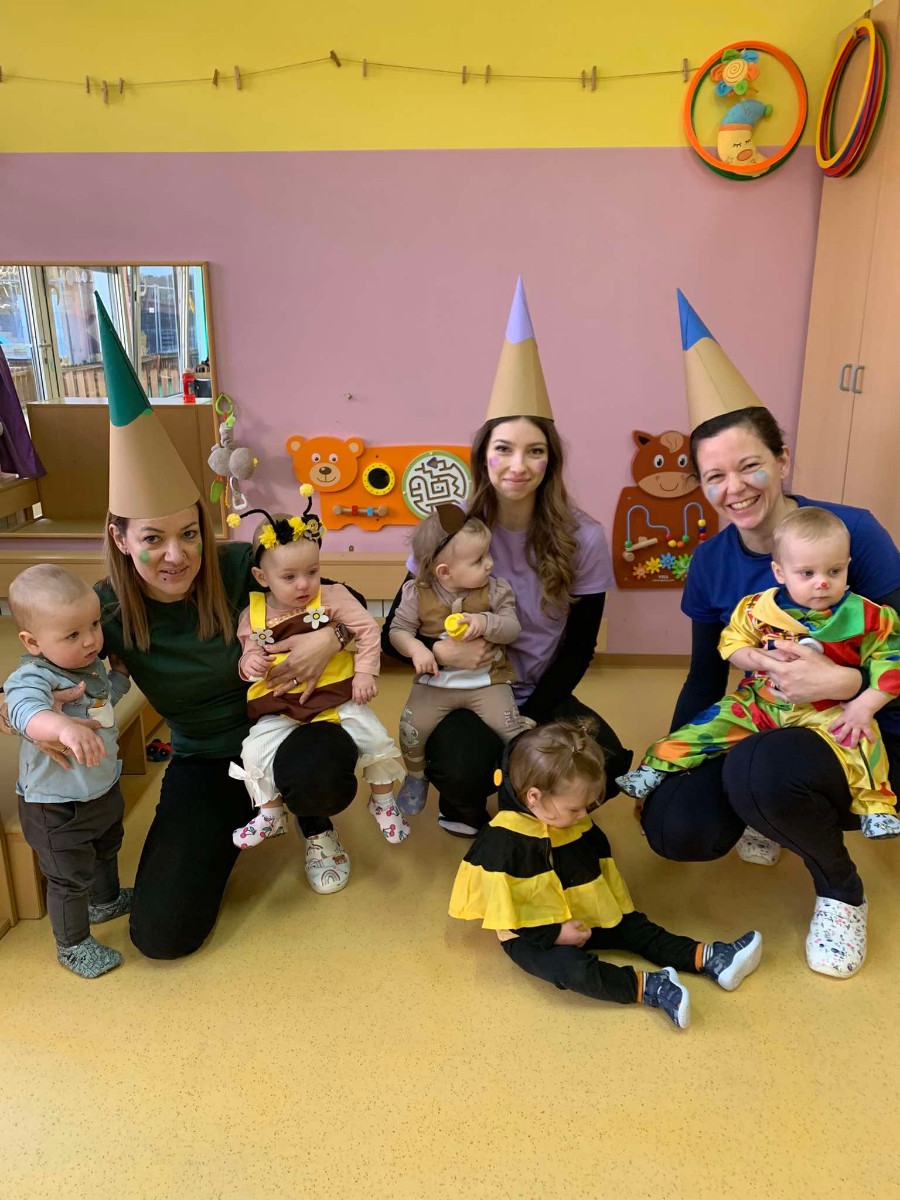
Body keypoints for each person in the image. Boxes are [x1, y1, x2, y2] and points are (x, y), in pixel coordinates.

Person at [639, 291, 900, 979]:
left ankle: (840, 889)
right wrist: (678, 757)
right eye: (715, 475)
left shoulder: (852, 534)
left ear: (783, 459)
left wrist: (851, 682)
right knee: (675, 826)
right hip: (767, 717)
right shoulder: (711, 564)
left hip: (862, 725)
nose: (736, 487)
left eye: (750, 465)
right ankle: (766, 807)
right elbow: (706, 676)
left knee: (760, 772)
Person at [92, 295, 361, 959]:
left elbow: (349, 599)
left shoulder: (242, 566)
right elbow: (45, 665)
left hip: (290, 727)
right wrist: (31, 710)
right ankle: (250, 809)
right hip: (209, 758)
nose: (177, 555)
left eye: (189, 533)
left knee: (322, 769)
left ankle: (312, 820)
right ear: (121, 538)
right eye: (152, 538)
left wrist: (328, 637)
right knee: (162, 936)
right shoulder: (106, 611)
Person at [382, 277, 630, 836]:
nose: (518, 465)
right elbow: (391, 632)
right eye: (504, 449)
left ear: (551, 461)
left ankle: (515, 797)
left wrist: (533, 721)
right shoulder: (449, 532)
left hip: (539, 692)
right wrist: (436, 648)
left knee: (607, 765)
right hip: (461, 690)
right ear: (484, 458)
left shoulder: (584, 537)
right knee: (463, 768)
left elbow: (579, 646)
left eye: (534, 451)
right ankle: (463, 800)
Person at [449, 720, 762, 1029]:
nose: (583, 815)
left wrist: (607, 908)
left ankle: (708, 958)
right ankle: (649, 987)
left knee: (635, 927)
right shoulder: (501, 844)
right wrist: (556, 934)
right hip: (532, 935)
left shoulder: (570, 819)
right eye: (575, 809)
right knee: (572, 970)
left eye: (586, 806)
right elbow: (508, 913)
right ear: (534, 797)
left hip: (581, 910)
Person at [620, 507, 900, 840]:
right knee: (708, 725)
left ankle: (876, 809)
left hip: (828, 709)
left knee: (862, 741)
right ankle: (655, 767)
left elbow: (890, 661)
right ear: (779, 572)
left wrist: (864, 705)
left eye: (834, 571)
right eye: (807, 573)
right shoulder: (757, 609)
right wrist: (757, 658)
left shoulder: (869, 617)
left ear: (848, 566)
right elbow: (732, 642)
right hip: (761, 701)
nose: (822, 582)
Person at [227, 497, 406, 866]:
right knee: (253, 751)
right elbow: (246, 659)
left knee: (377, 738)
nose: (304, 584)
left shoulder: (333, 596)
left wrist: (365, 672)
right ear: (262, 578)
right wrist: (250, 663)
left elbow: (367, 630)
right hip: (280, 705)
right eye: (289, 577)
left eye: (312, 571)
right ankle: (270, 813)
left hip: (336, 698)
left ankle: (383, 800)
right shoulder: (252, 614)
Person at [5, 565, 133, 977]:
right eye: (73, 634)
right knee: (68, 878)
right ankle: (72, 945)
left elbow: (100, 702)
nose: (91, 639)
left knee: (106, 848)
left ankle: (105, 901)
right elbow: (25, 710)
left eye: (94, 625)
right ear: (33, 642)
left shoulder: (85, 665)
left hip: (100, 788)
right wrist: (60, 727)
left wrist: (119, 677)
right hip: (56, 806)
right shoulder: (34, 675)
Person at [389, 503, 526, 816]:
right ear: (444, 572)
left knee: (512, 731)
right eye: (479, 560)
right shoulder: (417, 593)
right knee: (411, 728)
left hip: (487, 683)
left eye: (488, 554)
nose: (490, 564)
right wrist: (417, 649)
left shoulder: (495, 590)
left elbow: (512, 628)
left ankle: (521, 781)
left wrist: (485, 622)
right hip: (434, 684)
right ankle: (416, 776)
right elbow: (397, 631)